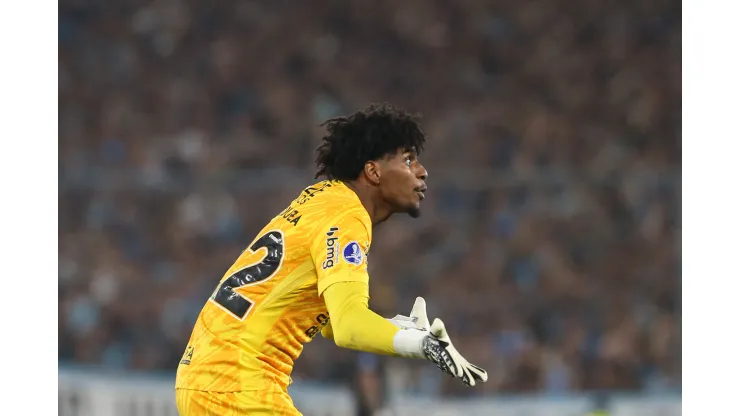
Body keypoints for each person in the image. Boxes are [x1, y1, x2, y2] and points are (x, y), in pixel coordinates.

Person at [174, 103, 487, 415]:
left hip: (207, 378)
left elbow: (333, 325)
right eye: (407, 160)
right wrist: (421, 345)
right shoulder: (346, 217)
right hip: (237, 386)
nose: (421, 171)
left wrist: (397, 327)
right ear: (373, 171)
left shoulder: (322, 199)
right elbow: (349, 325)